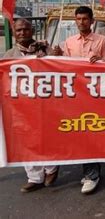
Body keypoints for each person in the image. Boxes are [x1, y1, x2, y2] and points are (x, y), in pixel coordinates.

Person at [52, 6, 105, 194]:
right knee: (73, 132)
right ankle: (57, 169)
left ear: (92, 21)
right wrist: (56, 56)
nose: (81, 22)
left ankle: (92, 174)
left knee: (89, 132)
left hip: (94, 96)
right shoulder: (68, 42)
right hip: (74, 95)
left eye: (85, 19)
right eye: (78, 19)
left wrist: (101, 58)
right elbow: (65, 67)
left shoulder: (102, 40)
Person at [3, 19, 59, 193]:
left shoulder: (44, 49)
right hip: (21, 105)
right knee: (26, 140)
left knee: (48, 136)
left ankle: (51, 169)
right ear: (14, 33)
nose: (22, 33)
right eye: (18, 30)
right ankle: (34, 177)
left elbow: (60, 67)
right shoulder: (8, 56)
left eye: (26, 30)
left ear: (32, 30)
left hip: (45, 101)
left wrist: (53, 56)